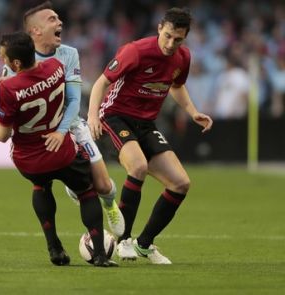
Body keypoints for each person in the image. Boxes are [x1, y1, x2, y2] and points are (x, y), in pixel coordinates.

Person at [0, 31, 117, 267]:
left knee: (41, 186)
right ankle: (99, 255)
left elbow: (2, 135)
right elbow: (44, 84)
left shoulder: (6, 90)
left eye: (4, 58)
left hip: (29, 160)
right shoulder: (55, 66)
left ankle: (54, 247)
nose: (2, 61)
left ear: (15, 63)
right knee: (86, 192)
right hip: (61, 151)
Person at [87, 7, 213, 264]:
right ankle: (122, 241)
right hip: (115, 117)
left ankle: (144, 244)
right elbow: (102, 82)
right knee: (139, 166)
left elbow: (176, 86)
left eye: (177, 39)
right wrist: (92, 116)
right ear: (159, 28)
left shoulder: (182, 58)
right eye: (167, 36)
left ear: (185, 37)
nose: (170, 43)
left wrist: (193, 112)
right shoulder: (136, 51)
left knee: (180, 183)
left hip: (146, 124)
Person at [0, 1, 124, 237]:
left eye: (58, 18)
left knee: (103, 186)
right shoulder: (17, 57)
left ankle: (109, 204)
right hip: (38, 135)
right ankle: (74, 189)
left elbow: (73, 101)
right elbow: (2, 101)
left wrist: (62, 132)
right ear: (36, 31)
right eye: (52, 19)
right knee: (48, 183)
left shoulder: (69, 54)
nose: (59, 22)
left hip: (69, 126)